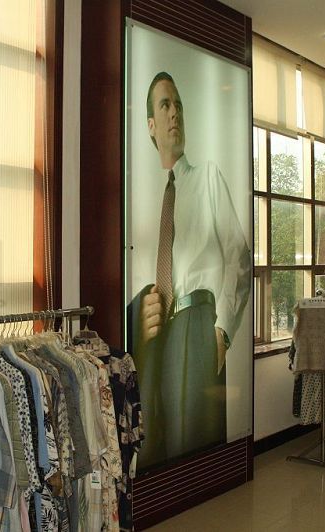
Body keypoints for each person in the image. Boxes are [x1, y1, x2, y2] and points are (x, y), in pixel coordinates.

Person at [129, 71, 250, 469]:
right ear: (151, 125)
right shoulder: (146, 201)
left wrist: (222, 332)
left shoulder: (206, 177)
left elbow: (239, 258)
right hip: (157, 339)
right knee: (157, 443)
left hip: (198, 325)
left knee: (196, 441)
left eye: (178, 105)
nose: (175, 113)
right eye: (165, 105)